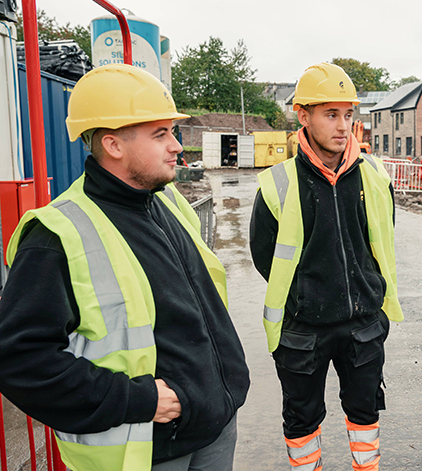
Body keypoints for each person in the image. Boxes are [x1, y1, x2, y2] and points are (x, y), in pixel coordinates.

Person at [0, 64, 250, 471]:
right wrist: (137, 400)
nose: (176, 147)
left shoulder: (165, 201)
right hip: (147, 450)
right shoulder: (57, 235)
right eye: (160, 134)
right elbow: (18, 360)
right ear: (114, 145)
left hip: (215, 426)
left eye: (173, 132)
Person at [249, 62, 403, 471]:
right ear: (304, 116)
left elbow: (382, 241)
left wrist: (370, 298)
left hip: (362, 323)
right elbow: (264, 255)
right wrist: (306, 295)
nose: (343, 126)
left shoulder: (375, 176)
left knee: (365, 412)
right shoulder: (278, 184)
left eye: (348, 115)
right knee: (301, 420)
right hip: (304, 328)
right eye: (331, 114)